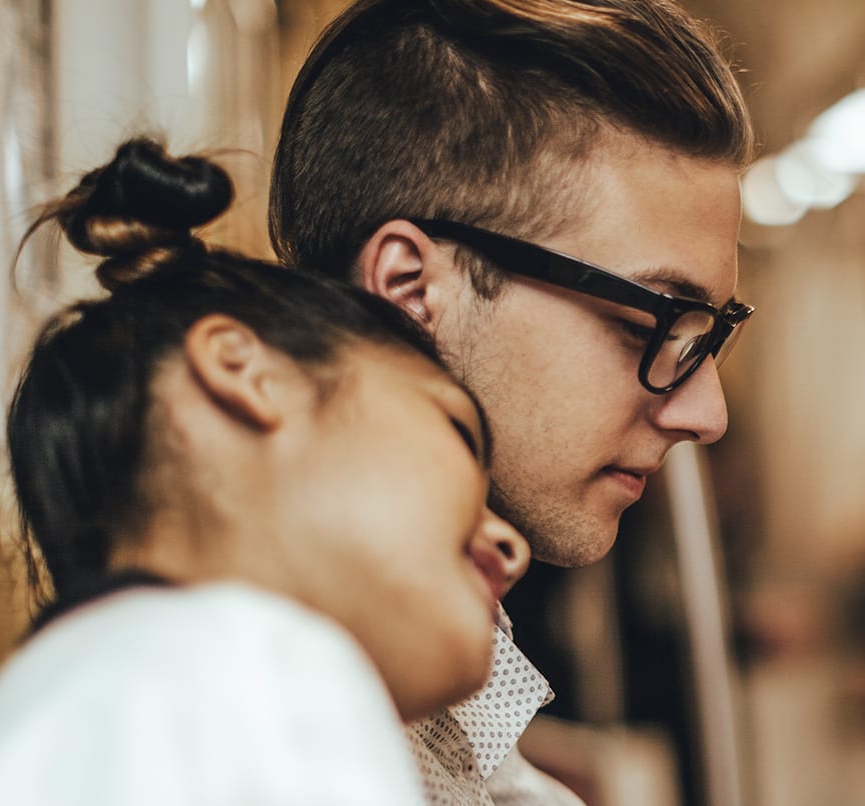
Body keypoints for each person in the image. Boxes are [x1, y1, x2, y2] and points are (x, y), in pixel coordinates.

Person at [0, 139, 531, 805]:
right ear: (246, 372)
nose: (510, 546)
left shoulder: (76, 691)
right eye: (455, 430)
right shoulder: (249, 671)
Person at [269, 1, 754, 802]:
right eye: (656, 323)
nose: (708, 413)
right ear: (409, 291)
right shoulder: (272, 727)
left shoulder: (425, 654)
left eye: (710, 336)